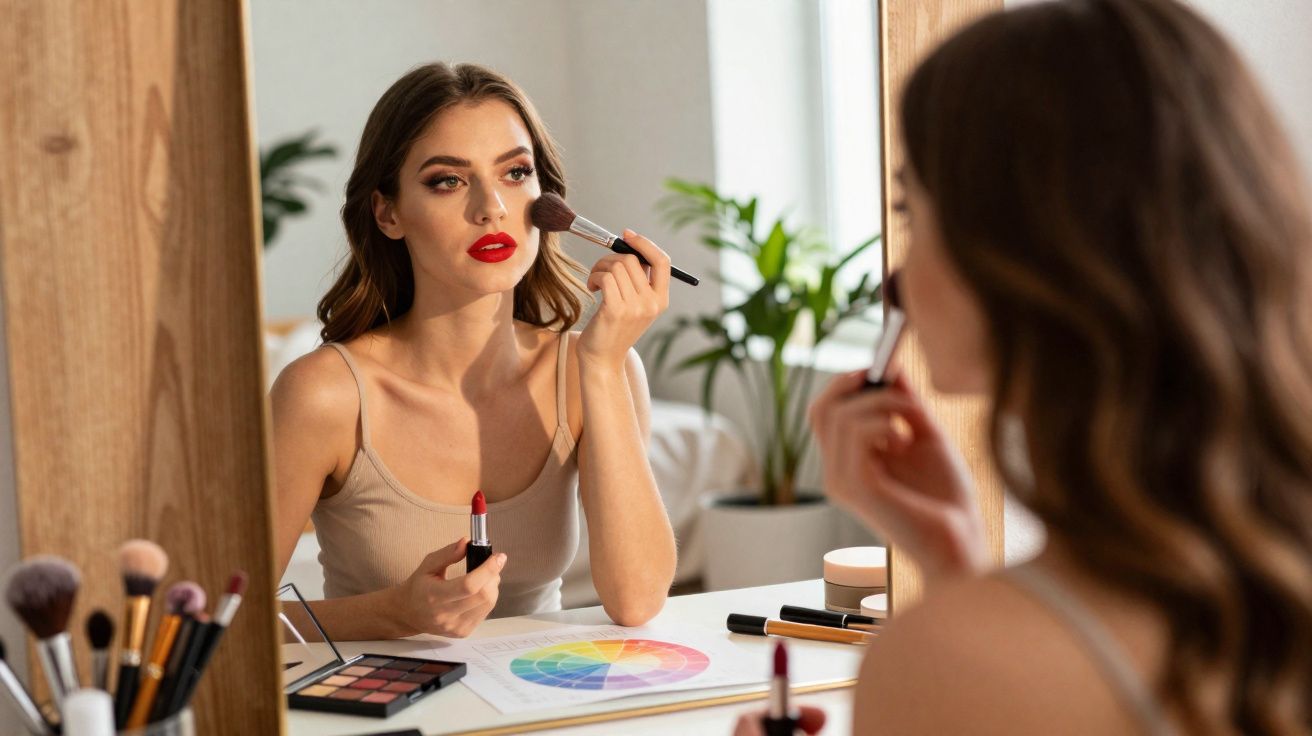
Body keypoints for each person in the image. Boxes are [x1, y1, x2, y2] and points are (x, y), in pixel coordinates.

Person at [739, 0, 1312, 732]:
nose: (899, 279)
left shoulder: (952, 665)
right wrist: (954, 565)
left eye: (911, 213)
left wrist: (961, 615)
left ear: (1018, 256)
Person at [271, 63, 677, 641]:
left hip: (544, 706)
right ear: (388, 212)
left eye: (515, 172)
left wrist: (604, 364)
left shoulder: (591, 372)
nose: (491, 207)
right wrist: (394, 613)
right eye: (447, 181)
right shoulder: (324, 396)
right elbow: (217, 621)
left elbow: (637, 601)